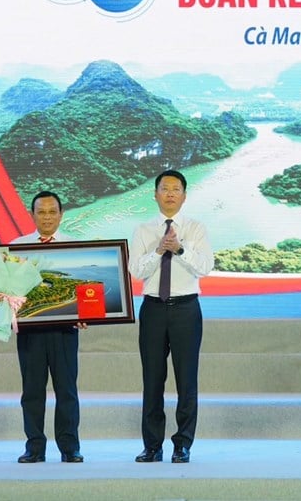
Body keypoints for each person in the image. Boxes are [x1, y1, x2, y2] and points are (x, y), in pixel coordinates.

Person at [0, 191, 86, 463]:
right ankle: (34, 447)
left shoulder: (76, 247)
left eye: (52, 212)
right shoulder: (17, 248)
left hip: (65, 330)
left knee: (67, 390)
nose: (47, 217)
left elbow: (86, 288)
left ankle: (70, 447)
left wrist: (87, 313)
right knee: (32, 391)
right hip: (30, 331)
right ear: (32, 215)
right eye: (41, 212)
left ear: (61, 215)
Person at [129, 170, 213, 464]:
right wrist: (158, 251)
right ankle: (152, 446)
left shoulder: (196, 228)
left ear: (184, 196)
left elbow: (205, 267)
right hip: (153, 308)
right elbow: (136, 271)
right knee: (152, 379)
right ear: (155, 194)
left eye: (176, 189)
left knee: (186, 379)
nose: (170, 194)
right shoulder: (143, 230)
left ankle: (183, 444)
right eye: (164, 188)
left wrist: (179, 249)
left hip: (186, 308)